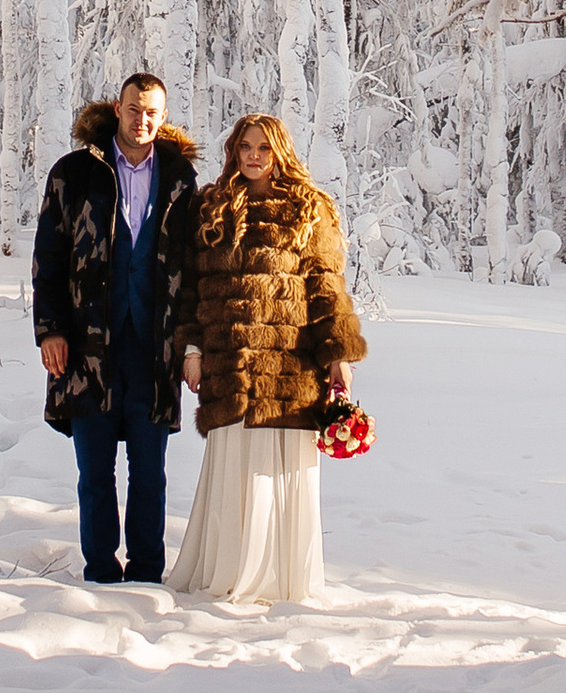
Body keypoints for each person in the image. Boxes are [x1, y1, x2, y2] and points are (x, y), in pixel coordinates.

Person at [168, 111, 365, 609]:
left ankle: (281, 579)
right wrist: (191, 349)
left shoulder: (307, 208)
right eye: (245, 147)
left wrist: (337, 353)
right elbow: (190, 289)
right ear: (233, 151)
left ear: (279, 153)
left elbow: (325, 286)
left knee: (280, 473)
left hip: (289, 367)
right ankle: (229, 571)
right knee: (234, 467)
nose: (253, 156)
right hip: (230, 364)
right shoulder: (211, 207)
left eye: (263, 148)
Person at [31, 71, 201, 585]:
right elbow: (48, 257)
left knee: (149, 472)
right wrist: (51, 329)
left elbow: (192, 267)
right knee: (95, 472)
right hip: (87, 345)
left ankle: (148, 571)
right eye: (134, 108)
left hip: (153, 347)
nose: (141, 119)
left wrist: (191, 342)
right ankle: (100, 571)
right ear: (117, 107)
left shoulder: (178, 178)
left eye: (152, 111)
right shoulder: (74, 172)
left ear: (163, 117)